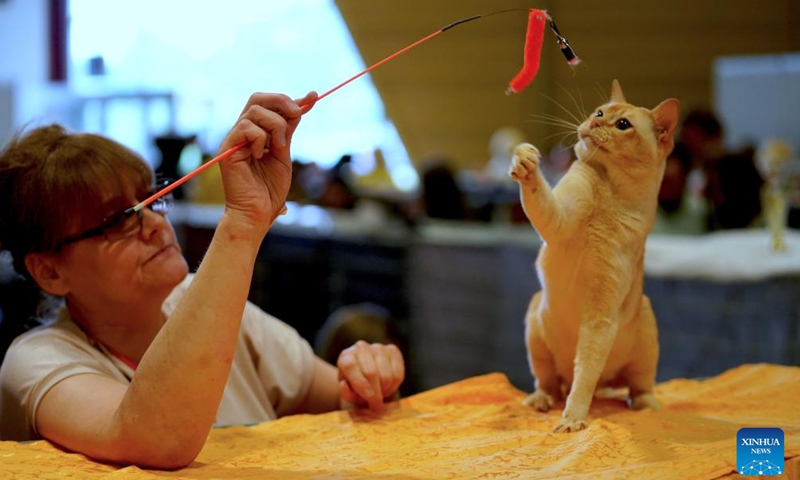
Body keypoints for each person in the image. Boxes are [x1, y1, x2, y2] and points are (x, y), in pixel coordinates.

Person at [0, 92, 405, 469]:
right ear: (49, 271)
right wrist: (243, 221)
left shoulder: (207, 306)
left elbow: (337, 398)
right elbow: (153, 436)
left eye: (152, 199)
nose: (156, 225)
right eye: (118, 220)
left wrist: (368, 377)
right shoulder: (36, 361)